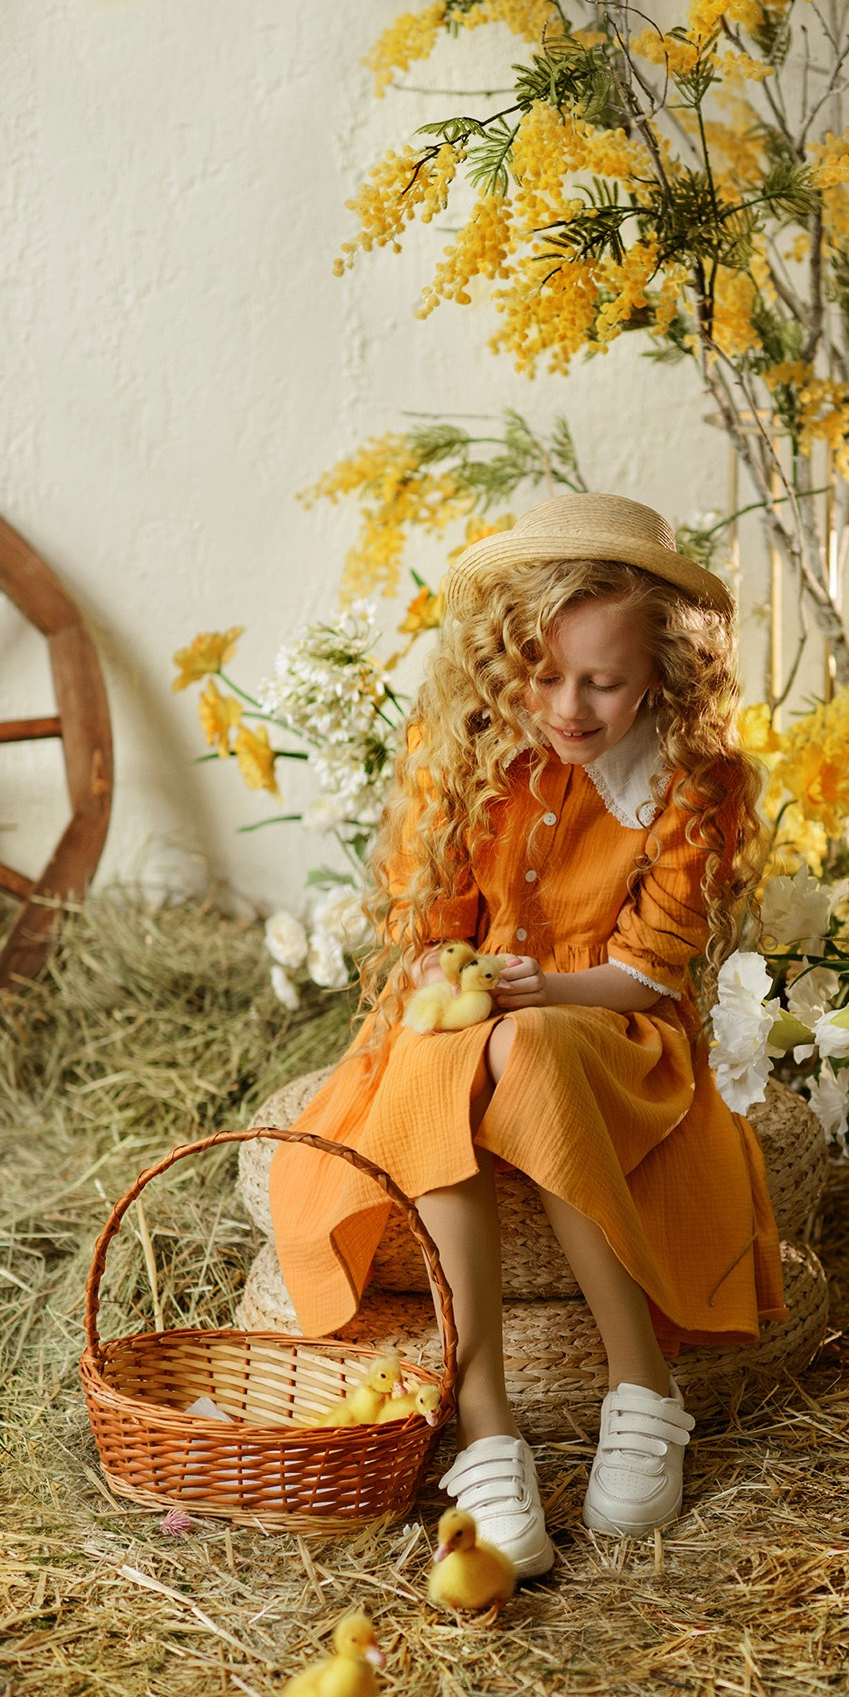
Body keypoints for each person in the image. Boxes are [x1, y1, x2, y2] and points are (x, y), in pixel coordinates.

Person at [269, 492, 788, 1578]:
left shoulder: (694, 781)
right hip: (459, 1022)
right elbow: (428, 930)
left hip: (614, 1025)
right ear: (510, 658)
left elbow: (649, 969)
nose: (571, 705)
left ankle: (639, 1386)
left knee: (534, 1044)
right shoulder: (461, 749)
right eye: (546, 675)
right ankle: (485, 1421)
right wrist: (447, 971)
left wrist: (538, 990)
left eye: (604, 681)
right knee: (463, 1047)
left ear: (661, 673)